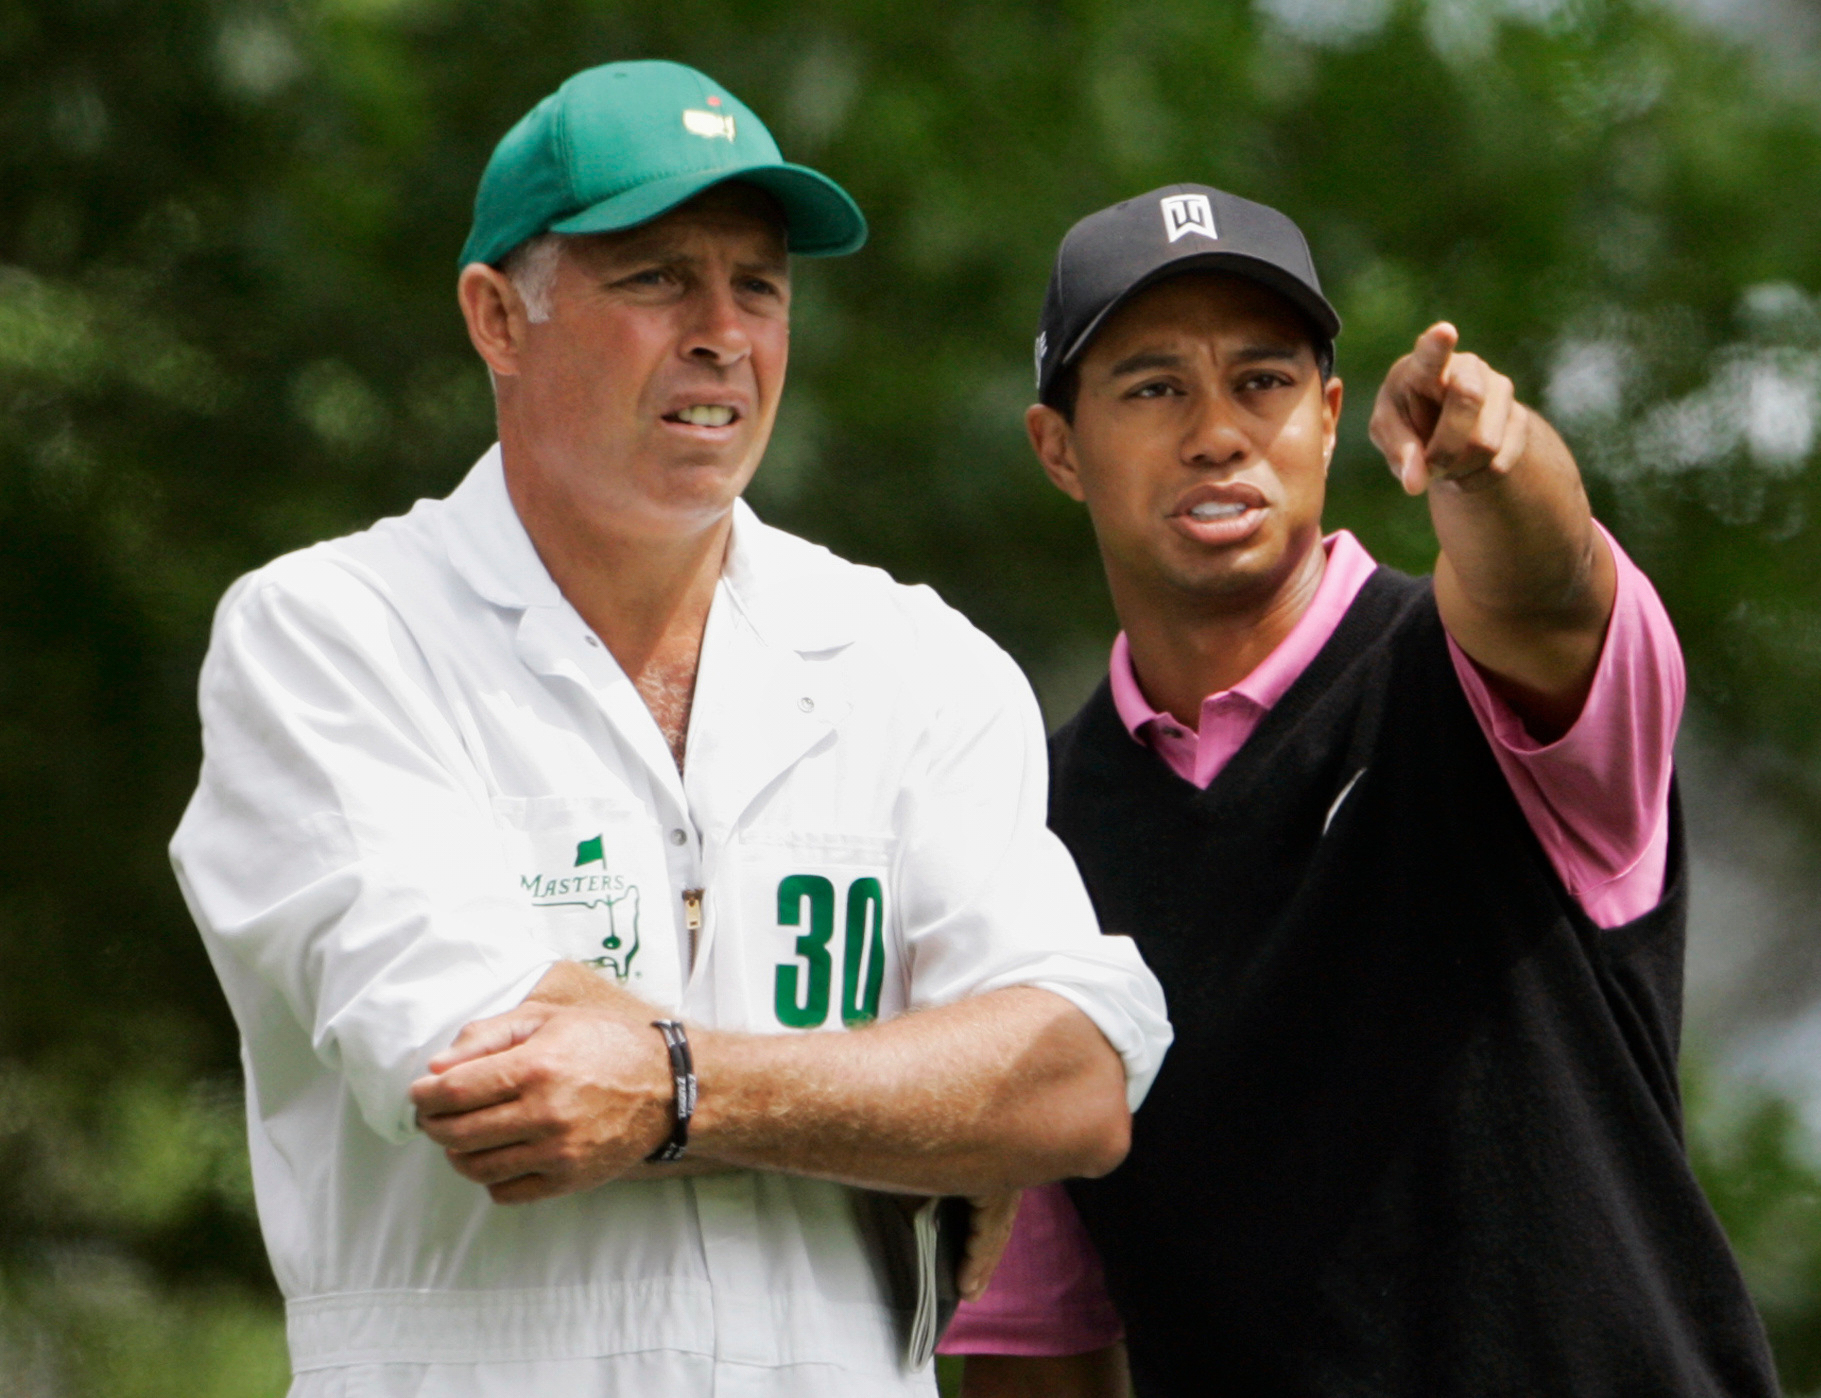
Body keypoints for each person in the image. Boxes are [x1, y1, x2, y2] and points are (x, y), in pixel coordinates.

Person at [169, 62, 1171, 1398]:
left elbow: (1076, 1083)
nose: (722, 332)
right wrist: (922, 1110)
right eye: (654, 279)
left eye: (759, 283)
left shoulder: (916, 661)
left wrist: (680, 1084)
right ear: (496, 317)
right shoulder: (331, 634)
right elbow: (509, 1078)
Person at [942, 186, 1780, 1396]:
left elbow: (1547, 588)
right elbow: (1043, 1337)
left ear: (1330, 418)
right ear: (1057, 449)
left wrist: (1491, 462)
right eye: (1152, 387)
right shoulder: (1031, 832)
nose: (1217, 431)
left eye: (1263, 381)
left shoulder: (1474, 681)